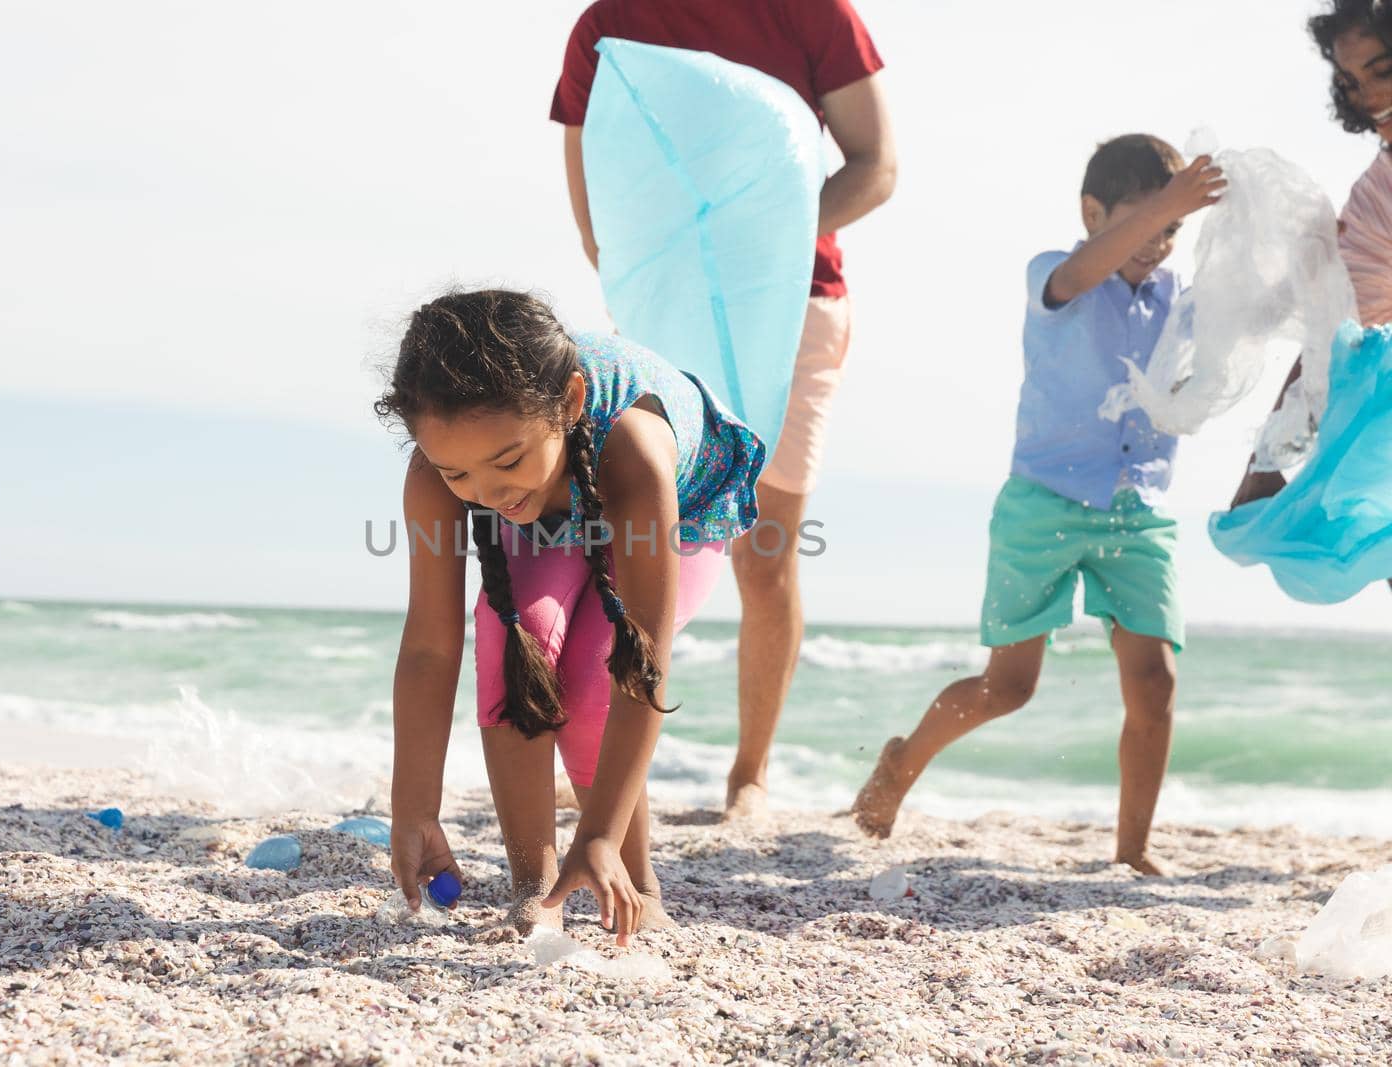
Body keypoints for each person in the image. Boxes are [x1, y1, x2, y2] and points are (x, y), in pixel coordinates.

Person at [549, 0, 898, 820]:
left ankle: (749, 773)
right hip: (664, 311)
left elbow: (876, 165)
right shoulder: (607, 26)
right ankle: (604, 761)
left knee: (766, 550)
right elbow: (598, 205)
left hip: (794, 306)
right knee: (631, 537)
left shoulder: (814, 12)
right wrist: (666, 278)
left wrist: (756, 237)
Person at [851, 137, 1226, 876]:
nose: (1160, 240)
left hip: (1137, 507)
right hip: (1043, 501)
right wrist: (1167, 203)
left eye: (1173, 229)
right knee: (1008, 687)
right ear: (1094, 212)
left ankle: (1132, 848)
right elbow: (1079, 273)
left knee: (1155, 679)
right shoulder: (1055, 274)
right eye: (1147, 219)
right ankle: (901, 762)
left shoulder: (1174, 300)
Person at [377, 290, 764, 942]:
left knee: (591, 681)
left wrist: (602, 834)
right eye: (458, 474)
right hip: (554, 492)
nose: (489, 493)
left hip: (674, 506)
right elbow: (429, 648)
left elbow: (644, 659)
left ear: (571, 402)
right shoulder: (450, 471)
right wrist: (414, 807)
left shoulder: (634, 449)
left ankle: (638, 881)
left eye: (506, 461)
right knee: (514, 637)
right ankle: (535, 889)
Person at [1231, 0, 1392, 510]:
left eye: (1382, 70)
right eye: (1350, 81)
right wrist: (1265, 462)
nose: (1367, 94)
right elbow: (1337, 323)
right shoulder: (1373, 195)